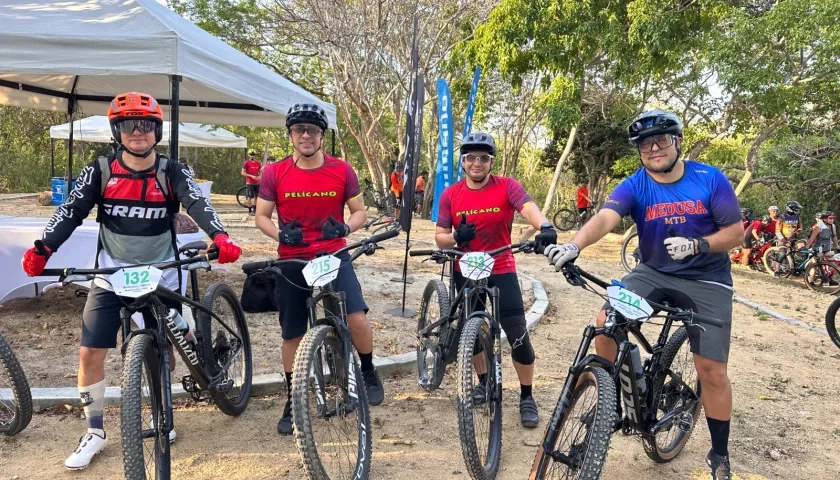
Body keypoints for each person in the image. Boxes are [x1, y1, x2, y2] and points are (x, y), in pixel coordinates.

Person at [20, 92, 241, 470]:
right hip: (111, 274)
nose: (137, 132)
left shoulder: (172, 170)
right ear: (116, 131)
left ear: (157, 130)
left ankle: (164, 406)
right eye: (128, 125)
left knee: (162, 347)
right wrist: (44, 247)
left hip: (161, 271)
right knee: (89, 352)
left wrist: (219, 236)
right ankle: (94, 431)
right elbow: (71, 210)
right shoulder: (101, 169)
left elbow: (197, 203)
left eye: (145, 125)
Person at [543, 110, 743, 479]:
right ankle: (612, 401)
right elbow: (606, 217)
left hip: (708, 279)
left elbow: (735, 233)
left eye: (661, 140)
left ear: (677, 142)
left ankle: (719, 455)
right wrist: (574, 245)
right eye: (645, 144)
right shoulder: (636, 184)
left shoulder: (709, 178)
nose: (653, 149)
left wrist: (698, 245)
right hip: (653, 273)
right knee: (605, 323)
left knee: (712, 372)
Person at [254, 103, 384, 436]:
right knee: (292, 333)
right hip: (292, 257)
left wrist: (345, 228)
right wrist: (280, 235)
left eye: (313, 130)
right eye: (299, 129)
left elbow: (359, 211)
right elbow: (261, 216)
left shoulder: (342, 169)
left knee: (356, 318)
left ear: (322, 136)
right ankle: (292, 397)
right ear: (291, 134)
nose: (306, 135)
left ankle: (368, 370)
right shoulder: (275, 172)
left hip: (332, 254)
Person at [435, 131, 558, 428]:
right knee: (472, 329)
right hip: (466, 267)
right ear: (463, 161)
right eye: (470, 158)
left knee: (517, 334)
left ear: (491, 162)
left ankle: (527, 395)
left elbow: (528, 208)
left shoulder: (507, 186)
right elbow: (440, 237)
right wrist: (455, 236)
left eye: (483, 158)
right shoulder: (451, 194)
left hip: (500, 264)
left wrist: (544, 226)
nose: (476, 163)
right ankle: (484, 382)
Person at [772, 201, 802, 276]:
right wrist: (785, 241)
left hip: (793, 238)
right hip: (783, 238)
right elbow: (777, 231)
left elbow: (800, 227)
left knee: (803, 249)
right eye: (796, 208)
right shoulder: (782, 218)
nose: (797, 210)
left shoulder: (797, 217)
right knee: (782, 252)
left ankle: (798, 268)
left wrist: (798, 231)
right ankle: (776, 271)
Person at [241, 151, 261, 216]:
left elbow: (260, 172)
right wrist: (251, 176)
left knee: (256, 196)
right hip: (250, 182)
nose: (252, 156)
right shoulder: (246, 163)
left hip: (257, 182)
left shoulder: (258, 163)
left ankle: (255, 210)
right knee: (249, 197)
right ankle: (250, 210)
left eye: (253, 155)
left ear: (255, 155)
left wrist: (259, 176)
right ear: (249, 155)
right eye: (251, 154)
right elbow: (243, 172)